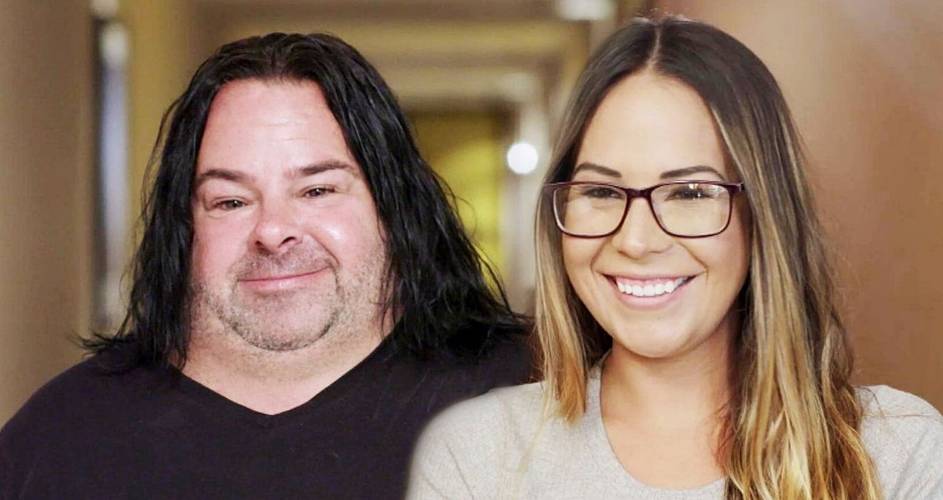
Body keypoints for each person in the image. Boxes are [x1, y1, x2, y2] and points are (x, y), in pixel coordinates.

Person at [409, 16, 943, 500]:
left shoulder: (896, 452)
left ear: (764, 216)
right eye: (601, 191)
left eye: (689, 193)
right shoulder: (478, 456)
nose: (636, 241)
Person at [0, 33, 531, 499]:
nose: (273, 231)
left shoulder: (538, 395)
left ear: (394, 209)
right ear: (184, 228)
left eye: (317, 190)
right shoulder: (60, 439)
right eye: (230, 201)